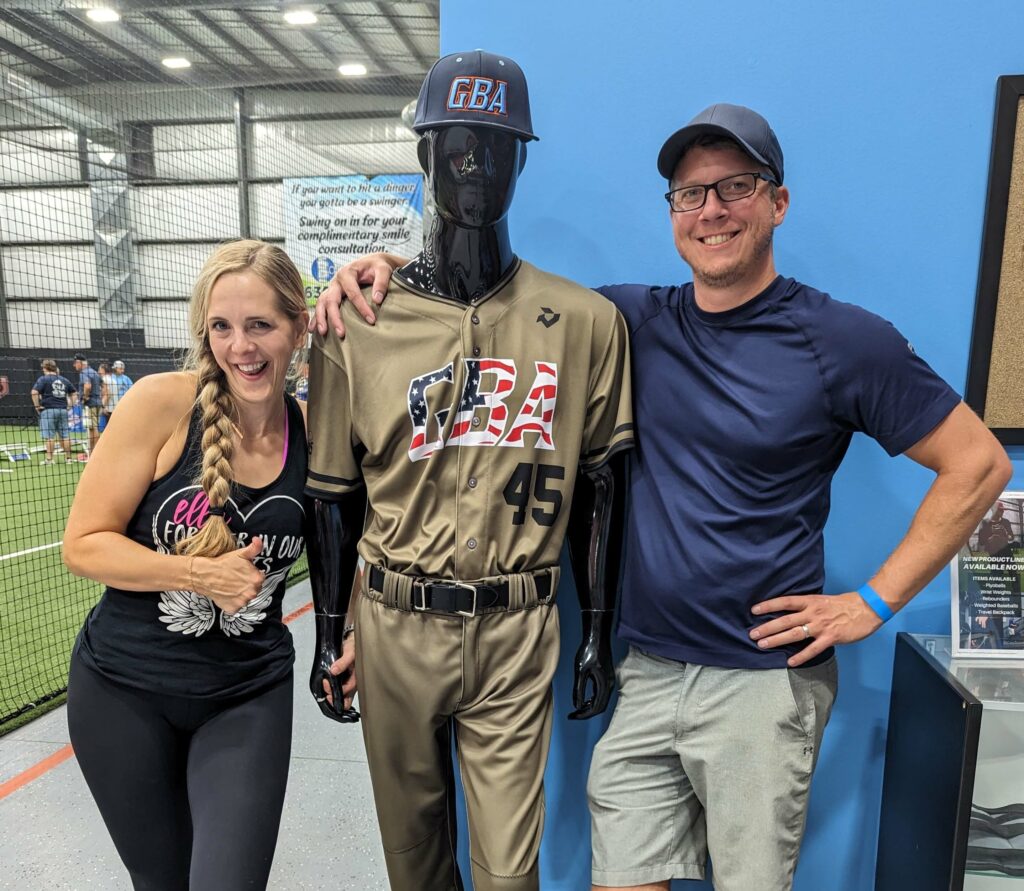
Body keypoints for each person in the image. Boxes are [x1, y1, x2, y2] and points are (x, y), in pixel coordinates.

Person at [313, 102, 1012, 891]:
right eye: (691, 194)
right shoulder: (626, 318)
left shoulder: (841, 340)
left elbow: (979, 464)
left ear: (777, 201)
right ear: (673, 214)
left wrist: (873, 603)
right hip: (645, 672)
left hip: (759, 684)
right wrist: (385, 269)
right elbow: (496, 307)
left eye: (736, 187)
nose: (712, 210)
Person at [304, 50, 633, 891]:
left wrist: (598, 627)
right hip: (392, 619)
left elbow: (603, 484)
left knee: (507, 874)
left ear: (522, 159)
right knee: (413, 863)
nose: (476, 168)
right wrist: (327, 630)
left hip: (519, 627)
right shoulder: (356, 322)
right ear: (425, 155)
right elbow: (333, 495)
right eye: (456, 147)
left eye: (496, 147)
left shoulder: (588, 321)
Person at [62, 240, 311, 891]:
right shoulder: (161, 403)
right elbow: (84, 542)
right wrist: (198, 574)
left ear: (298, 326)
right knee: (163, 881)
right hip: (122, 691)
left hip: (246, 693)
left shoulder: (316, 432)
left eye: (260, 324)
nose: (241, 346)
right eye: (222, 327)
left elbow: (368, 542)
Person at [31, 358, 76, 464]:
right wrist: (70, 405)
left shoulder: (43, 379)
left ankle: (49, 459)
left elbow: (34, 392)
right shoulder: (64, 379)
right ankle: (68, 459)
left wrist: (37, 406)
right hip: (63, 410)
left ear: (45, 367)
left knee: (49, 436)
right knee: (65, 435)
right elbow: (74, 393)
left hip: (49, 410)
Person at [72, 352, 103, 454]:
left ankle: (96, 453)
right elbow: (105, 387)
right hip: (98, 403)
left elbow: (87, 386)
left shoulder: (84, 373)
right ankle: (92, 452)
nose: (74, 365)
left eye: (75, 363)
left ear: (80, 362)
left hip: (90, 404)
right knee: (92, 428)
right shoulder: (94, 372)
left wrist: (85, 397)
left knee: (93, 428)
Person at [100, 359, 134, 431]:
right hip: (111, 406)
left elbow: (132, 390)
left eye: (123, 369)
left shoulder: (126, 379)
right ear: (115, 368)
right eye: (120, 369)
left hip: (124, 405)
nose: (122, 371)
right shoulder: (110, 378)